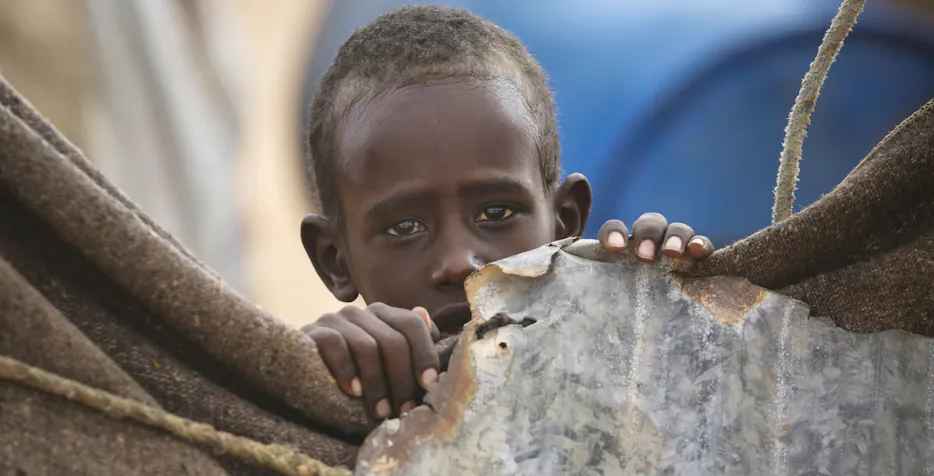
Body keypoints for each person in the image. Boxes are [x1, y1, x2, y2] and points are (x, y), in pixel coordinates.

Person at [299, 5, 714, 420]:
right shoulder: (321, 409)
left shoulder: (634, 369)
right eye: (404, 227)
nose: (459, 262)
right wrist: (303, 378)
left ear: (565, 223)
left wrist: (674, 313)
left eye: (496, 213)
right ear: (335, 261)